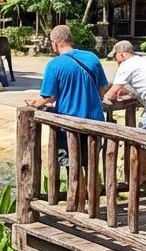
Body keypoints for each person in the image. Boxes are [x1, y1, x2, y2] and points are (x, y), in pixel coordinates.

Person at [24, 25, 109, 170]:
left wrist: (36, 103)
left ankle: (75, 186)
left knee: (73, 168)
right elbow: (103, 89)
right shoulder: (92, 57)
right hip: (95, 122)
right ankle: (91, 186)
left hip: (70, 125)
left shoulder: (54, 65)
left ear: (55, 43)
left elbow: (49, 97)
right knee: (91, 166)